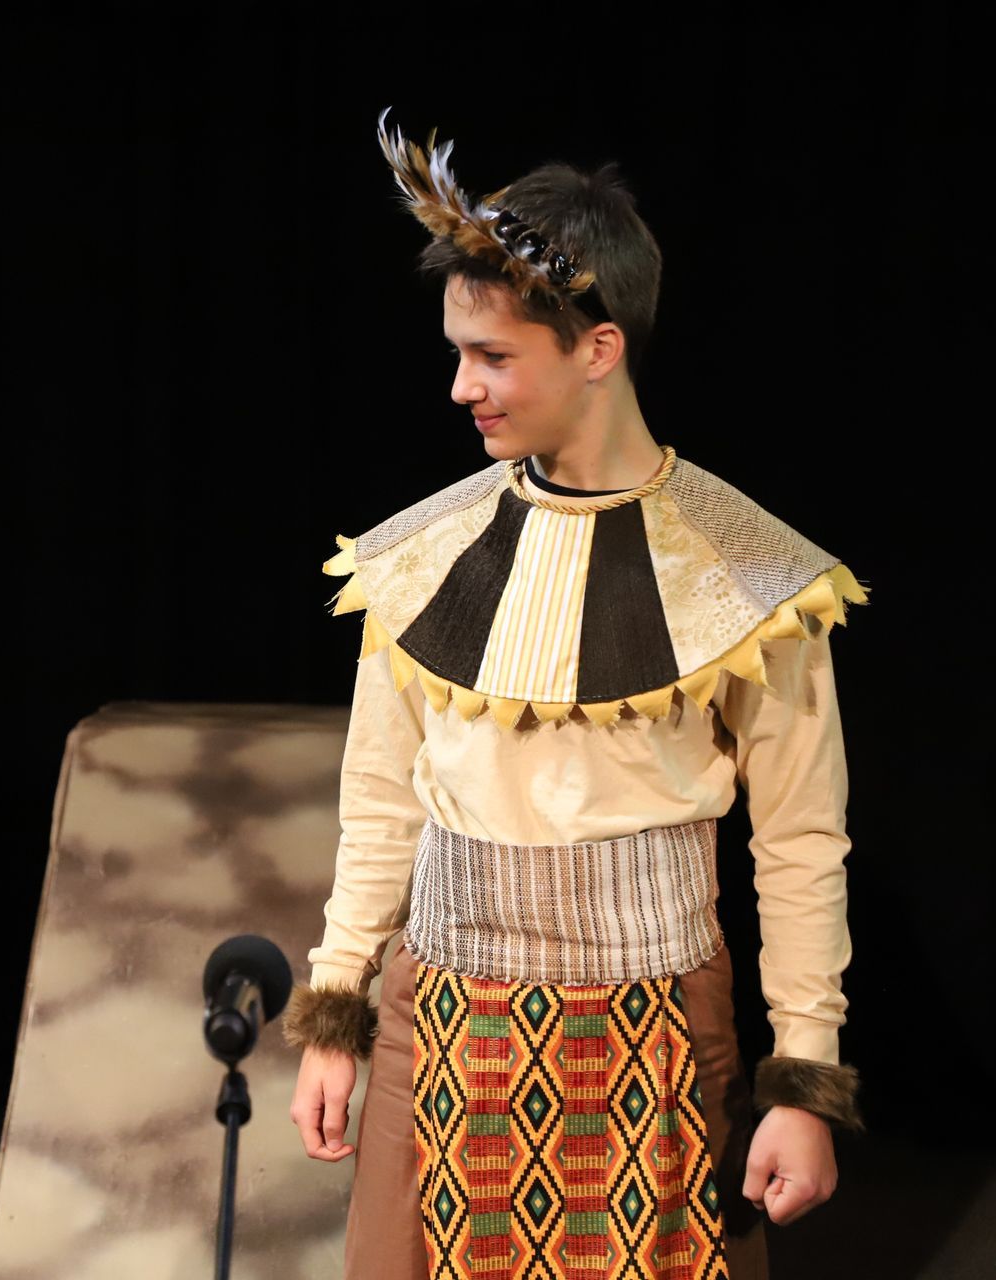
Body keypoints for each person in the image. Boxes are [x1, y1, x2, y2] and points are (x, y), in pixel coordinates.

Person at [283, 111, 869, 1280]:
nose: (461, 388)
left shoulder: (748, 577)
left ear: (598, 349)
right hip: (439, 1018)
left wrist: (802, 1074)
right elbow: (379, 799)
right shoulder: (421, 557)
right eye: (457, 353)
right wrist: (338, 1003)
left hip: (652, 1020)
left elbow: (800, 837)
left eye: (492, 357)